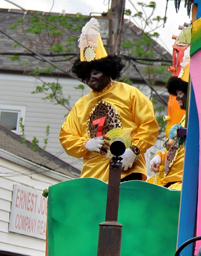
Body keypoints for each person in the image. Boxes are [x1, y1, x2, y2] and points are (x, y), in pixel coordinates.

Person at [59, 18, 159, 183]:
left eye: (96, 72)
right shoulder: (80, 106)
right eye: (86, 74)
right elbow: (66, 136)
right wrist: (86, 144)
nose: (91, 78)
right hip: (93, 177)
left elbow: (149, 126)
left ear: (107, 70)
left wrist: (134, 150)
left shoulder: (130, 94)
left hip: (127, 171)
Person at [148, 75, 188, 190]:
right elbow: (177, 148)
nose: (177, 98)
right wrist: (160, 157)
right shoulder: (185, 118)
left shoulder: (199, 119)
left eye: (180, 93)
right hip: (169, 182)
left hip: (182, 183)